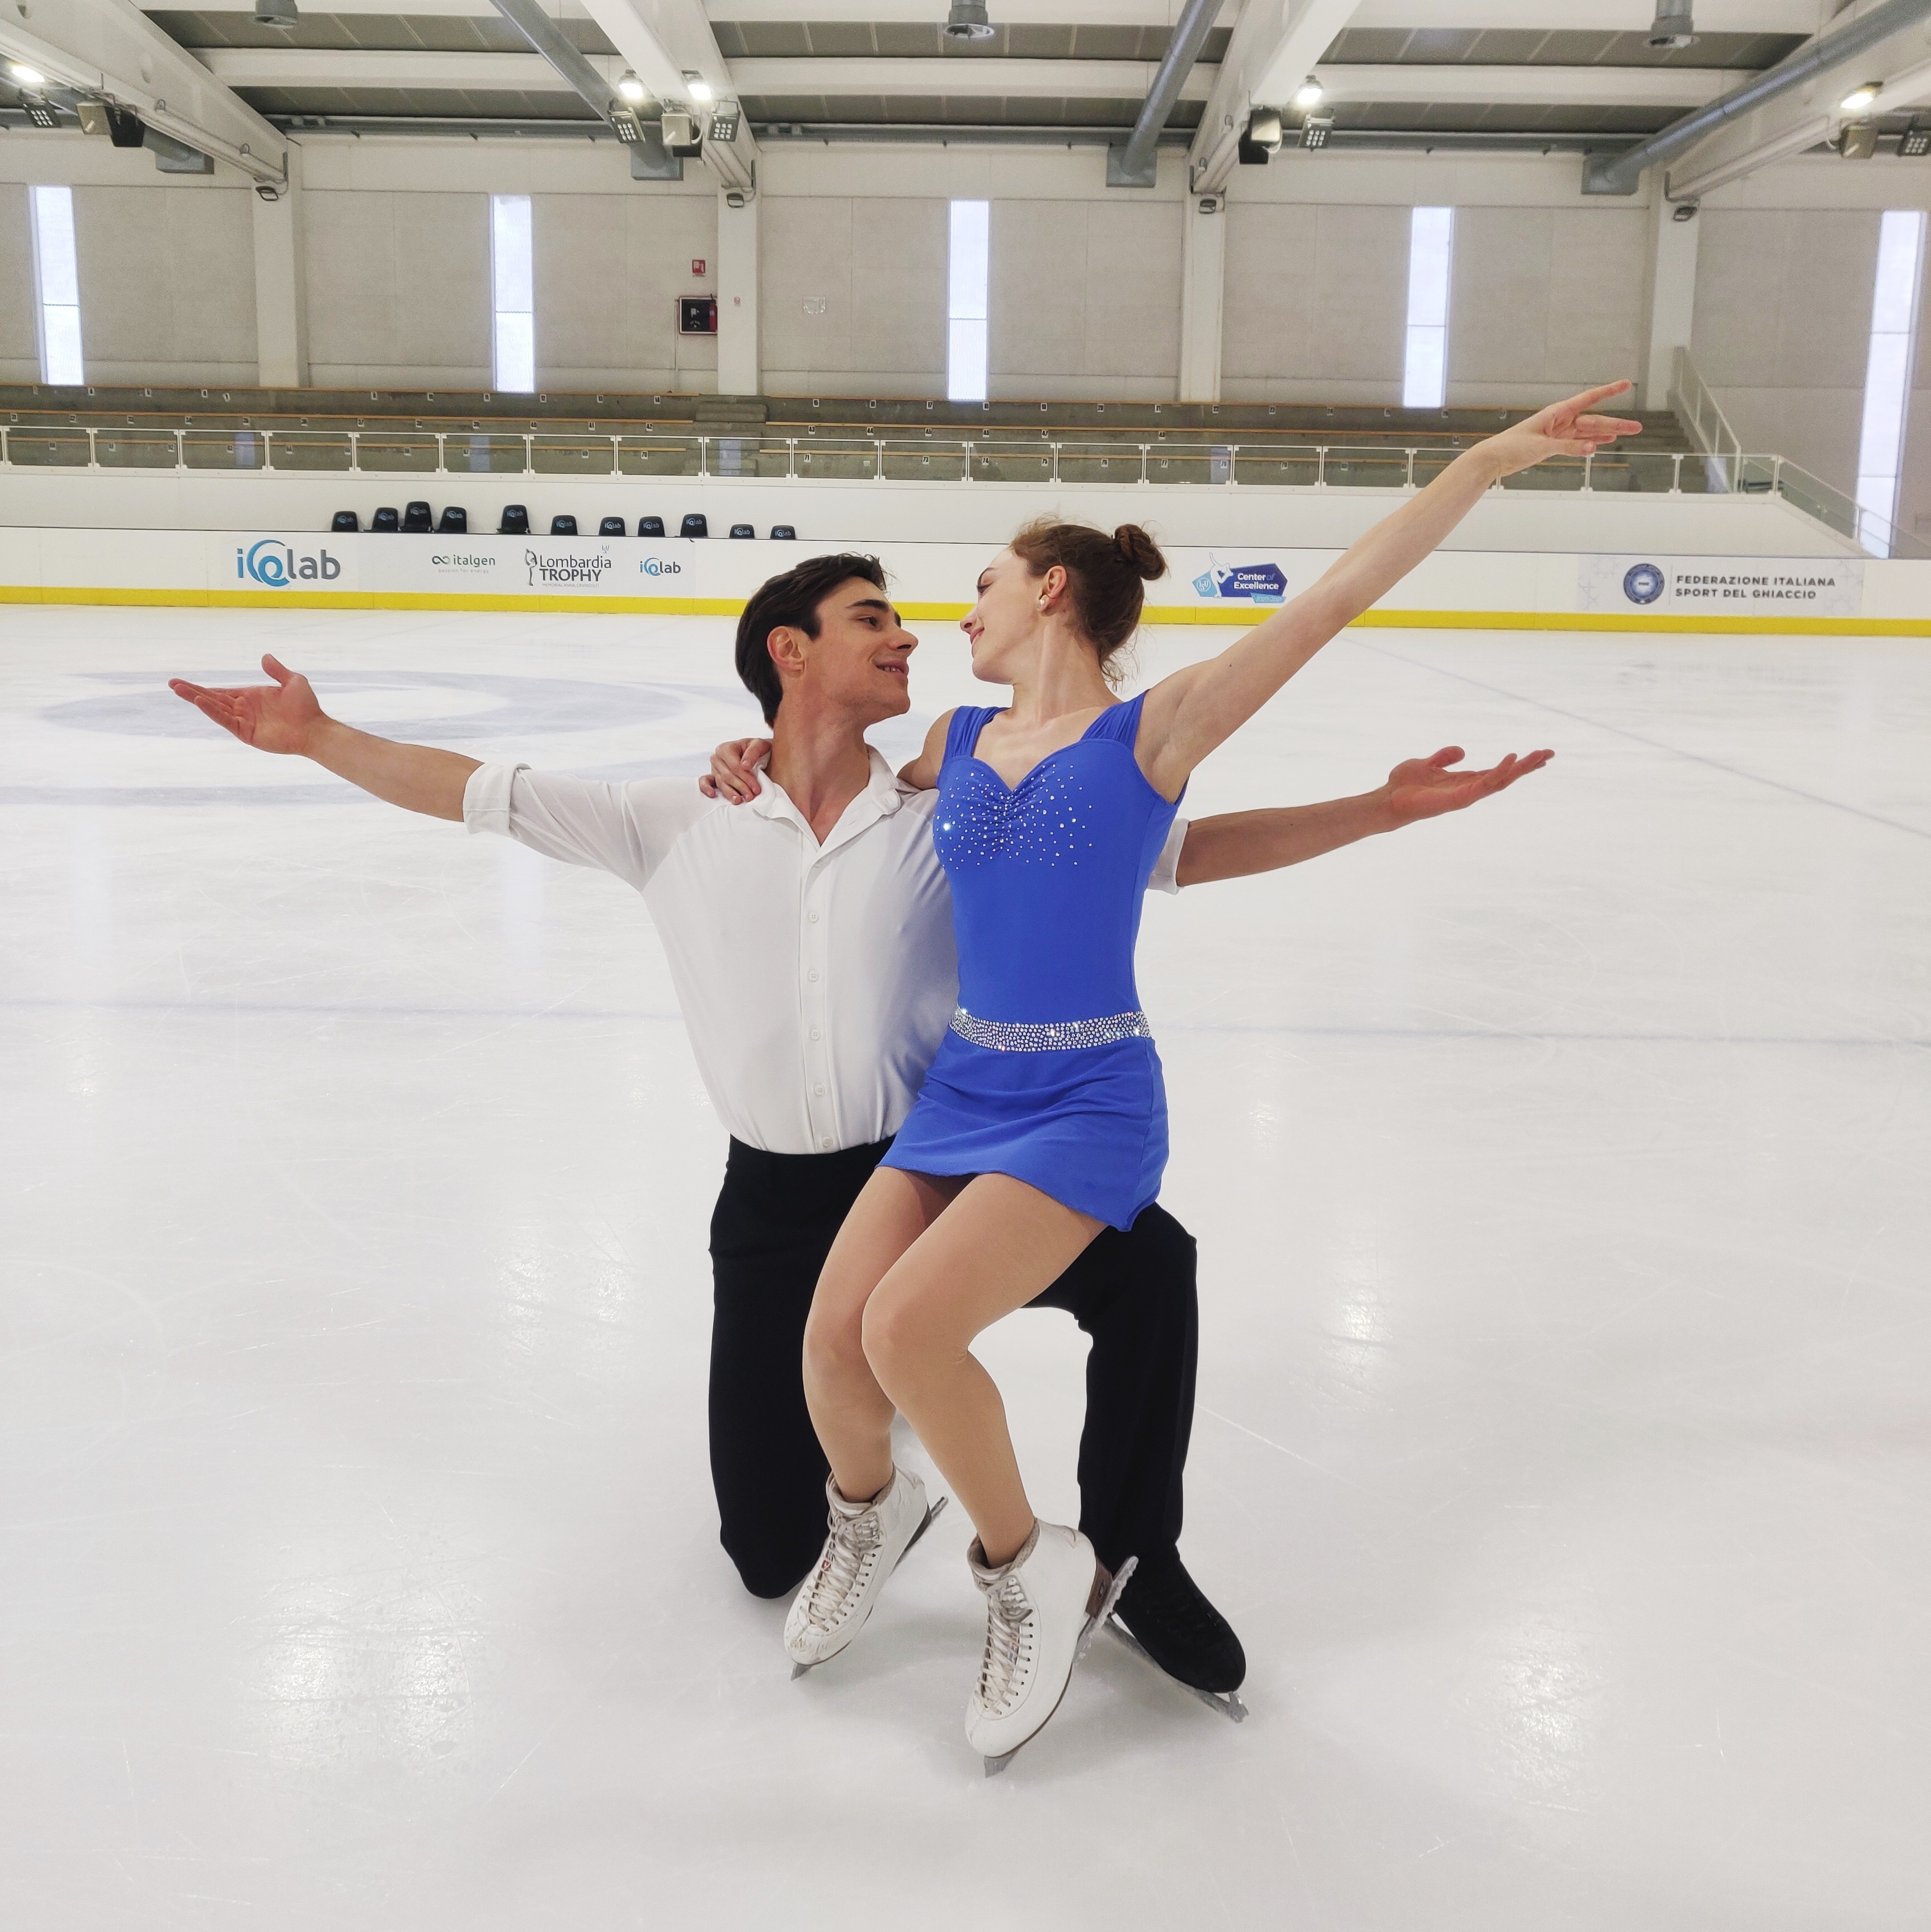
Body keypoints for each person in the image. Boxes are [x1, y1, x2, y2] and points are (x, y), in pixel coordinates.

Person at [167, 554, 1549, 1720]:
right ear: (789, 651)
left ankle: (1134, 1558)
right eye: (871, 619)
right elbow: (482, 787)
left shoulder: (947, 801)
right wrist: (321, 737)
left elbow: (1168, 853)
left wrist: (1376, 809)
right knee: (767, 1550)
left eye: (910, 616)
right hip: (780, 1199)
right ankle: (883, 1505)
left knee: (1154, 1271)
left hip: (955, 1160)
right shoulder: (676, 815)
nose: (908, 638)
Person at [771, 383, 1634, 1768]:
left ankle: (1029, 1570)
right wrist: (738, 758)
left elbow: (1333, 602)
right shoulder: (953, 745)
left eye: (982, 585)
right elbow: (826, 772)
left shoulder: (1153, 730)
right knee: (832, 1340)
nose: (960, 613)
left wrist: (1484, 460)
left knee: (908, 1332)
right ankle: (870, 1518)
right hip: (964, 1088)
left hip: (1085, 1100)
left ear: (1050, 589)